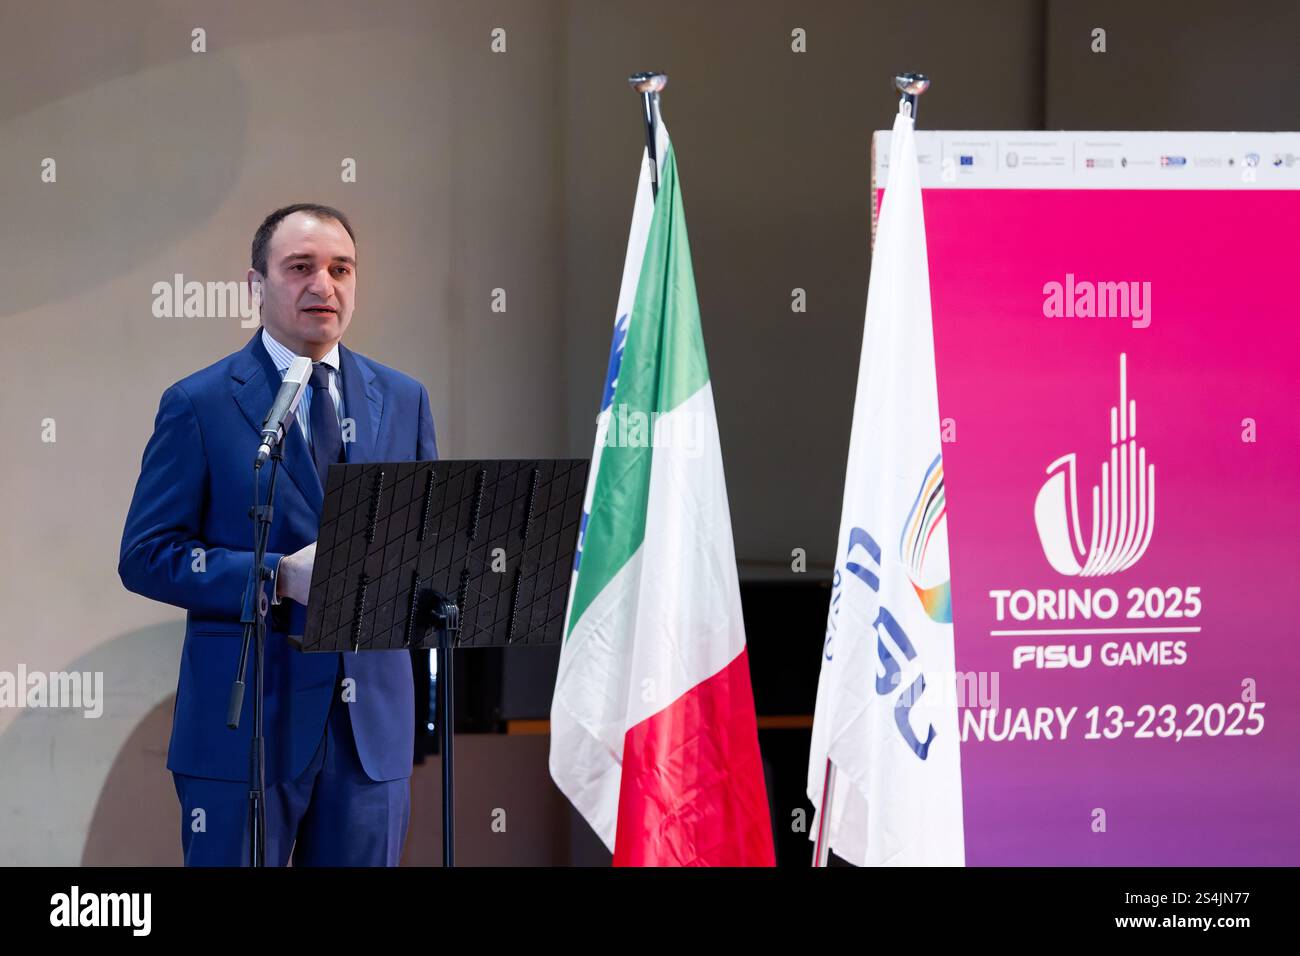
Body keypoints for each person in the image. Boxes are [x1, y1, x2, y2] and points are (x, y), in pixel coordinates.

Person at [118, 203, 438, 866]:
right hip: (245, 730)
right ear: (255, 286)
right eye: (301, 268)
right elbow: (148, 556)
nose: (324, 284)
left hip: (367, 734)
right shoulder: (200, 404)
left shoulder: (404, 398)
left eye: (341, 268)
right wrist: (274, 577)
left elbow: (424, 539)